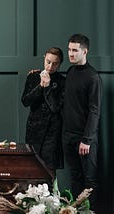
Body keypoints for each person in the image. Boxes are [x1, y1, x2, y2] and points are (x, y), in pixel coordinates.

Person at [62, 34, 102, 212]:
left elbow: (95, 111)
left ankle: (90, 212)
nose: (70, 54)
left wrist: (86, 139)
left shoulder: (93, 77)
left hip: (85, 139)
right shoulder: (70, 72)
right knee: (75, 177)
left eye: (75, 50)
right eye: (69, 49)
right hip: (68, 136)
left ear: (85, 51)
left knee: (90, 179)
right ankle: (75, 211)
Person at [21, 47, 65, 177]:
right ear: (44, 58)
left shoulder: (63, 81)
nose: (50, 66)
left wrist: (47, 87)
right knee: (31, 167)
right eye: (48, 61)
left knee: (49, 170)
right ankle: (31, 197)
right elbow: (25, 101)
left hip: (52, 132)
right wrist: (40, 86)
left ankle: (51, 197)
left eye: (55, 63)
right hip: (34, 130)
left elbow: (55, 107)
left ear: (60, 63)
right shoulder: (33, 76)